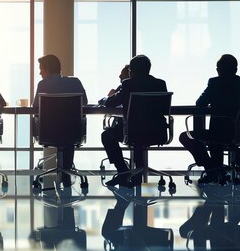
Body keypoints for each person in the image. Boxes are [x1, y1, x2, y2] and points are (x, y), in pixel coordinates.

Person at [179, 54, 240, 183]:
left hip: (217, 133)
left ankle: (211, 168)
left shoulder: (214, 82)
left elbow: (200, 103)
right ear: (236, 69)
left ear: (219, 69)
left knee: (185, 136)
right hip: (239, 132)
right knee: (218, 139)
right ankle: (220, 169)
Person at [100, 55, 167, 187]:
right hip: (157, 132)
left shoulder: (128, 84)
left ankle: (122, 171)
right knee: (139, 136)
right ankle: (135, 175)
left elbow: (111, 102)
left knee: (107, 135)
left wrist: (105, 99)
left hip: (133, 132)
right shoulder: (160, 84)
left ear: (132, 71)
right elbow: (164, 108)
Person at [33, 54, 88, 187]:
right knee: (68, 132)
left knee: (61, 132)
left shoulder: (43, 84)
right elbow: (85, 102)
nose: (40, 72)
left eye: (41, 69)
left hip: (48, 133)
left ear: (46, 69)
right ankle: (66, 174)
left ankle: (65, 173)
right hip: (73, 132)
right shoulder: (75, 82)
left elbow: (35, 108)